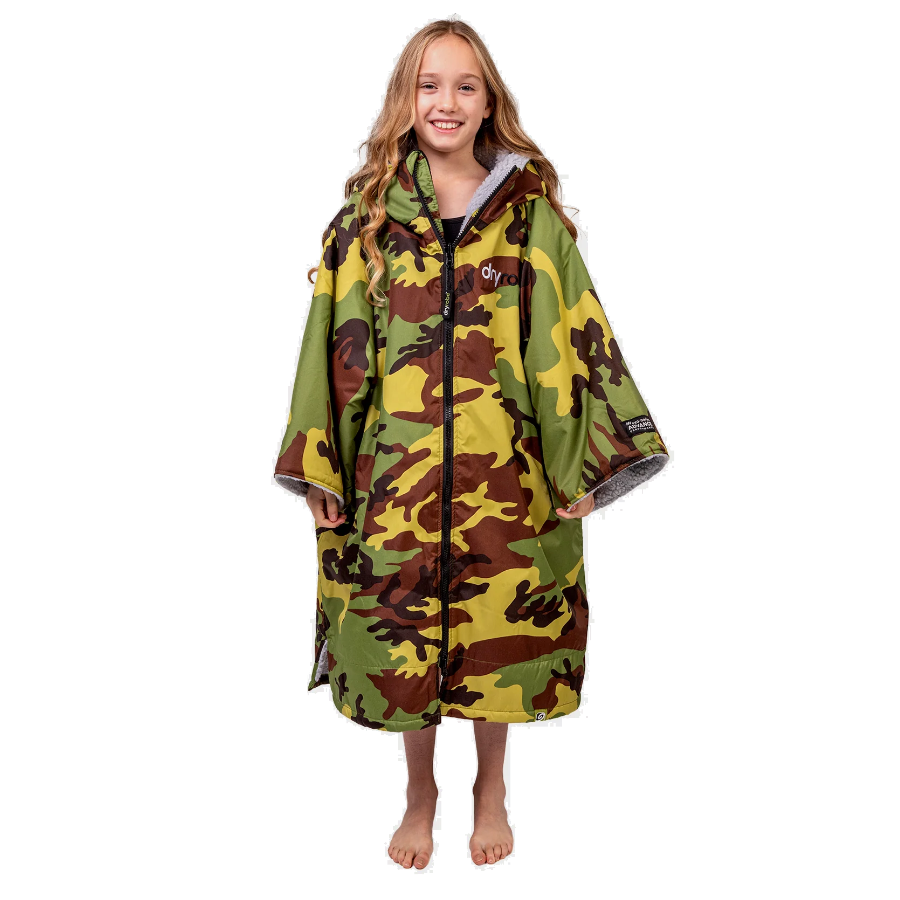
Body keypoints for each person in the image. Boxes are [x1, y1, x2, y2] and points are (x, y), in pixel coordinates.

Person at [273, 18, 669, 870]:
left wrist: (588, 463)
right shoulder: (367, 221)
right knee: (402, 636)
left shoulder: (528, 220)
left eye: (464, 86)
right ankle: (421, 790)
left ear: (489, 102)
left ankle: (492, 784)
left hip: (509, 473)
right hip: (396, 479)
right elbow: (331, 349)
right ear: (405, 99)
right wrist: (320, 465)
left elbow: (572, 336)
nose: (445, 101)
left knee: (497, 629)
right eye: (429, 85)